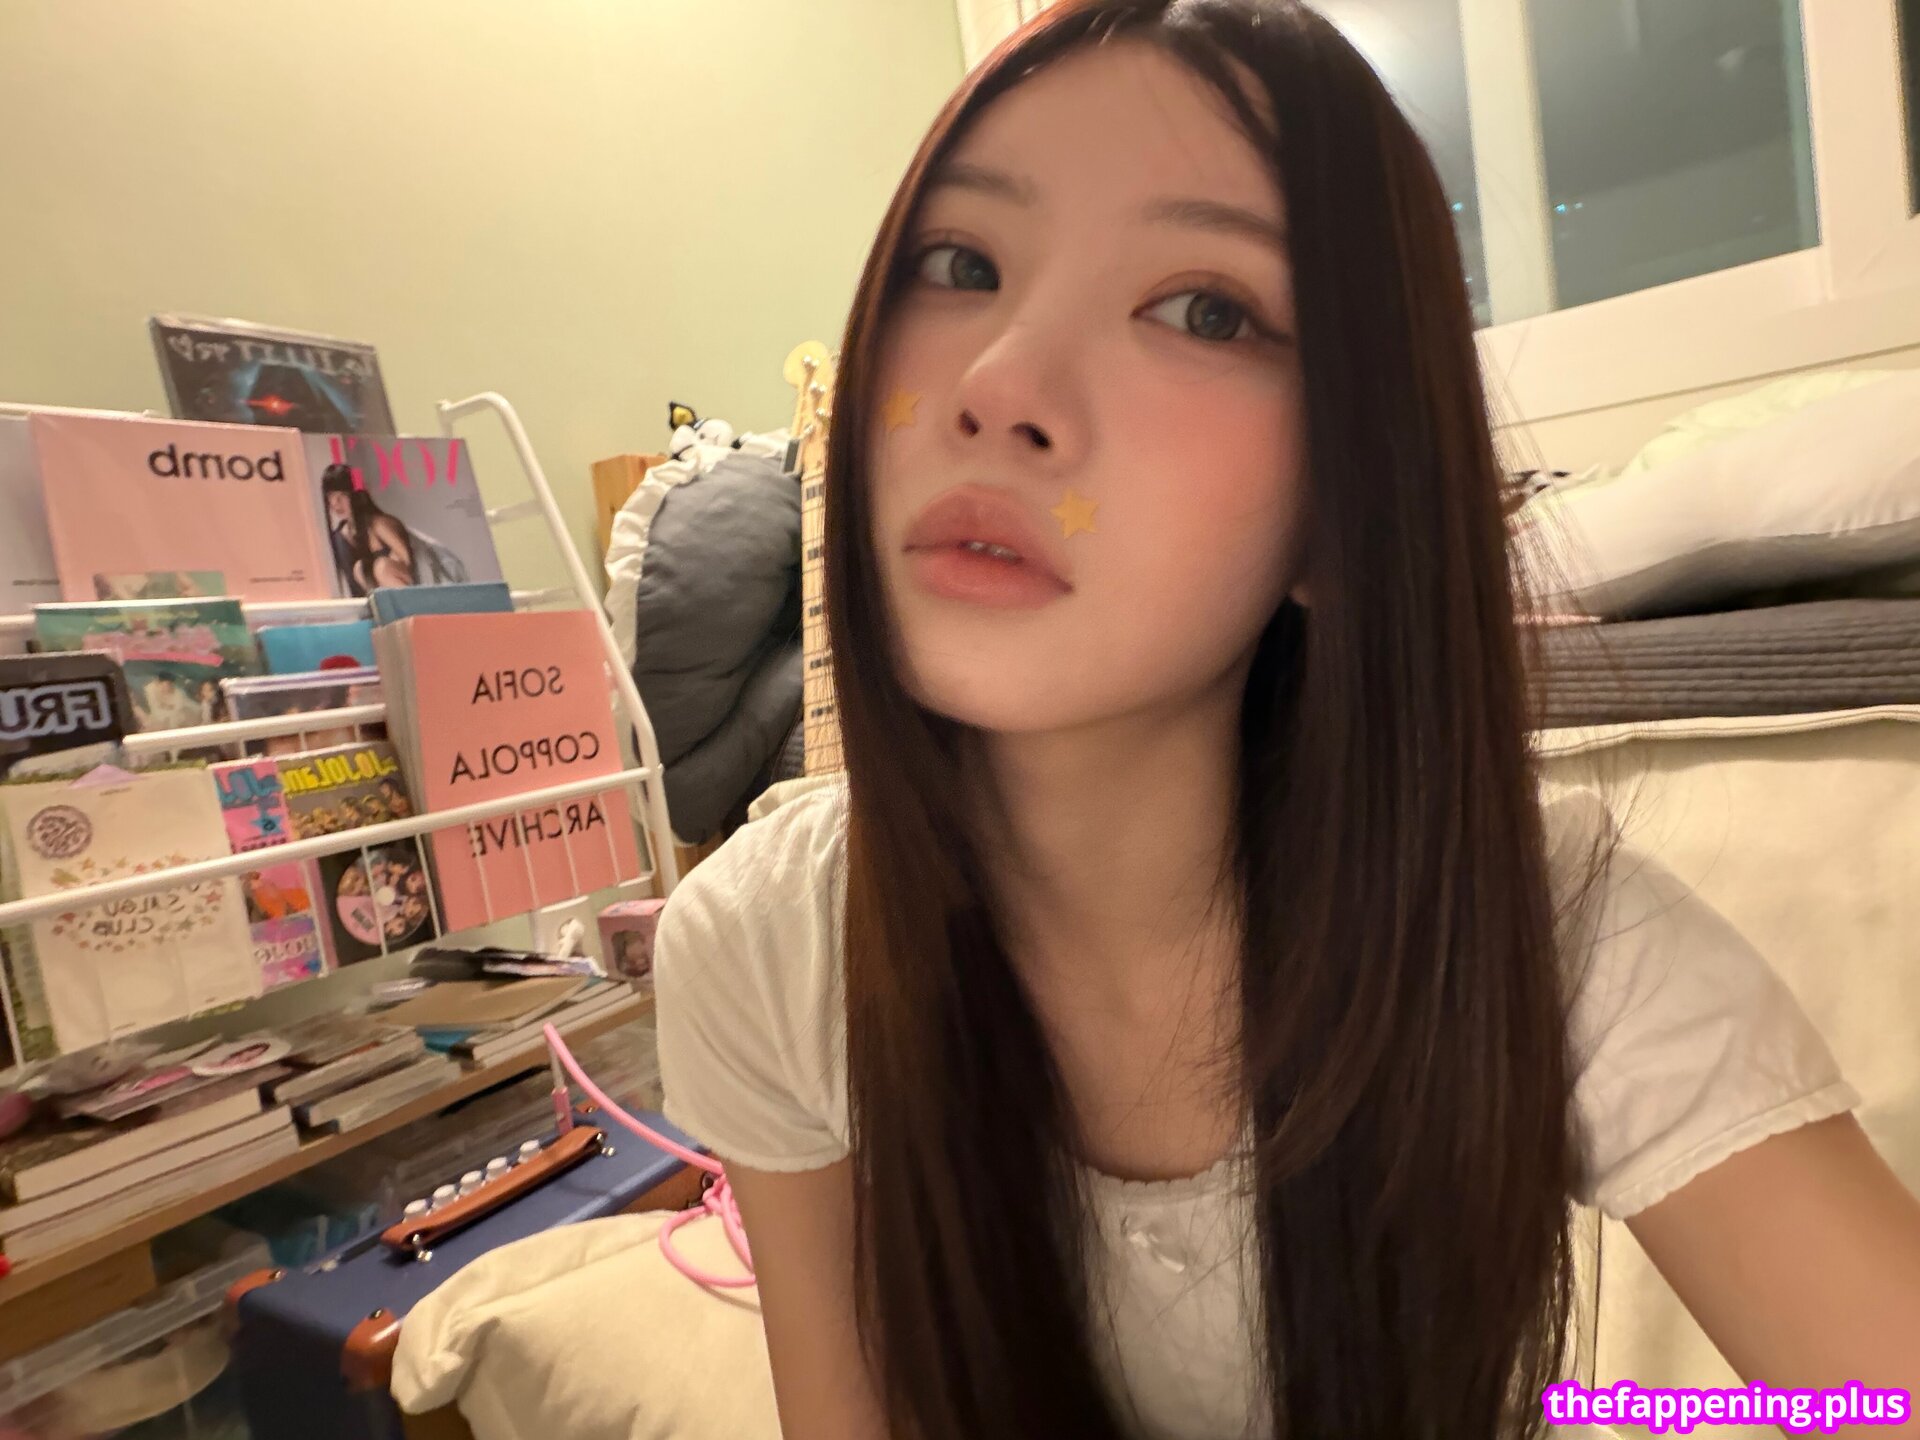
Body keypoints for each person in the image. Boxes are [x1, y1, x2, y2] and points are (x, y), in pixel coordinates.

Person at [653, 4, 1920, 1439]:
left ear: (1342, 501)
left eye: (1205, 309)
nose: (1000, 387)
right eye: (961, 264)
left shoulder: (1552, 941)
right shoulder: (771, 947)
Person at [321, 463, 417, 594]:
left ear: (356, 495)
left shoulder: (379, 524)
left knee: (381, 567)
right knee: (360, 569)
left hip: (405, 589)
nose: (335, 503)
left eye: (342, 495)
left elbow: (407, 559)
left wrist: (386, 566)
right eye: (330, 497)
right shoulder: (340, 536)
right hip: (373, 597)